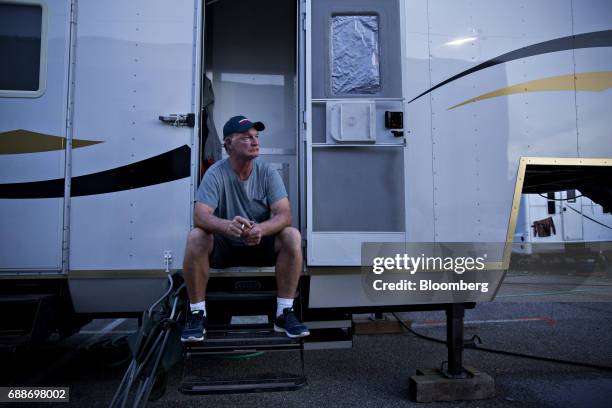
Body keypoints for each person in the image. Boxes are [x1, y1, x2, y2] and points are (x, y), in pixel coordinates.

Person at [181, 115, 309, 342]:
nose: (255, 141)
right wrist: (226, 226)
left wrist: (260, 229)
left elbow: (284, 215)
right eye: (247, 137)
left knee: (291, 235)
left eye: (256, 137)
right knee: (196, 237)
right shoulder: (215, 173)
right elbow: (200, 216)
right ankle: (197, 314)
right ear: (229, 144)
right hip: (226, 246)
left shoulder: (267, 172)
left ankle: (284, 313)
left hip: (259, 244)